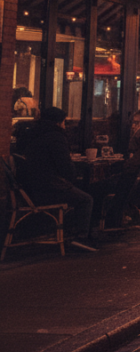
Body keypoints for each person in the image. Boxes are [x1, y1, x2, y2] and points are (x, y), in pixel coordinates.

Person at [15, 107, 95, 251]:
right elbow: (65, 167)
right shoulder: (56, 137)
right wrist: (73, 178)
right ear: (58, 122)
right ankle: (80, 237)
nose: (65, 125)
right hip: (48, 187)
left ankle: (69, 232)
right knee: (86, 199)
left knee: (78, 192)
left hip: (29, 186)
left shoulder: (31, 133)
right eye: (64, 122)